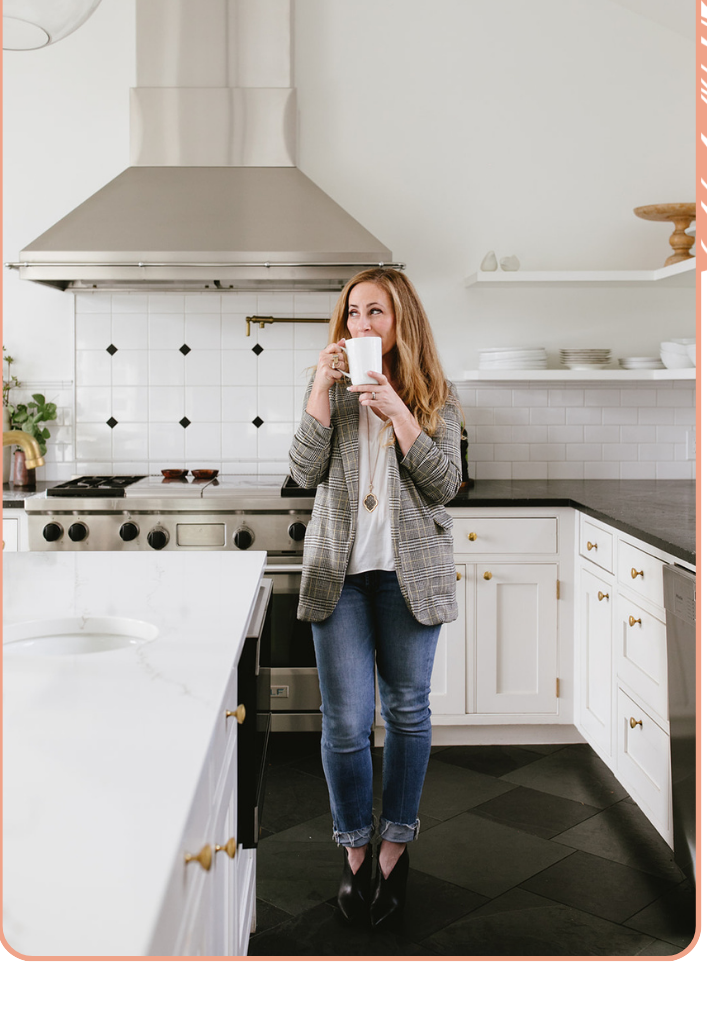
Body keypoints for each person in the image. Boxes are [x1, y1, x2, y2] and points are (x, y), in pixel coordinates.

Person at [287, 267, 462, 931]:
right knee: (344, 721)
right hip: (341, 575)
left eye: (376, 312)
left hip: (407, 574)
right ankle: (354, 847)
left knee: (408, 711)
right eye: (353, 312)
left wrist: (398, 412)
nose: (362, 323)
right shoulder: (325, 394)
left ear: (400, 322)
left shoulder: (436, 396)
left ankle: (395, 845)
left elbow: (444, 483)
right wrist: (318, 390)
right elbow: (301, 471)